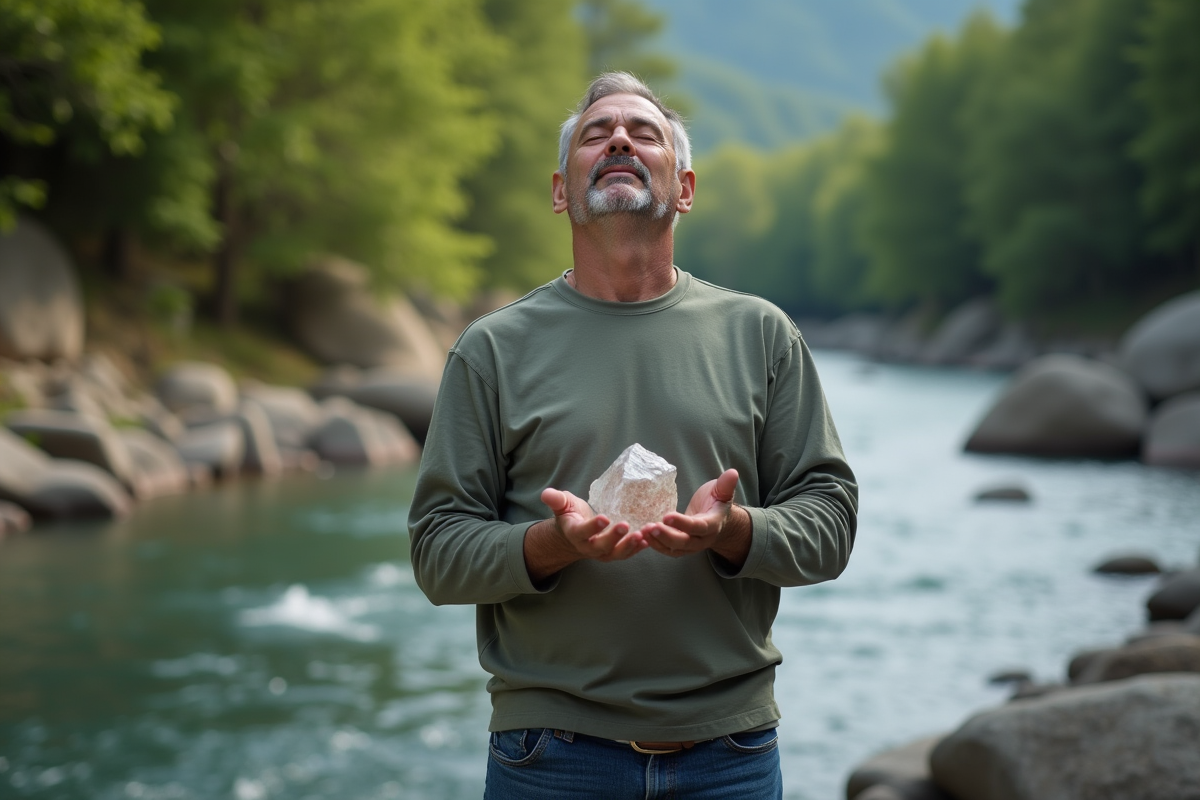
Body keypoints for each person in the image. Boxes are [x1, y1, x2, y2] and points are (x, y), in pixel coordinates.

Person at [408, 72, 858, 799]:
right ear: (561, 191)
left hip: (731, 754)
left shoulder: (763, 336)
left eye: (643, 132)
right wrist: (553, 544)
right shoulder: (492, 351)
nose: (619, 137)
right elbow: (436, 552)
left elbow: (832, 525)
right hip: (548, 758)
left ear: (684, 188)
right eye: (597, 133)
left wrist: (733, 530)